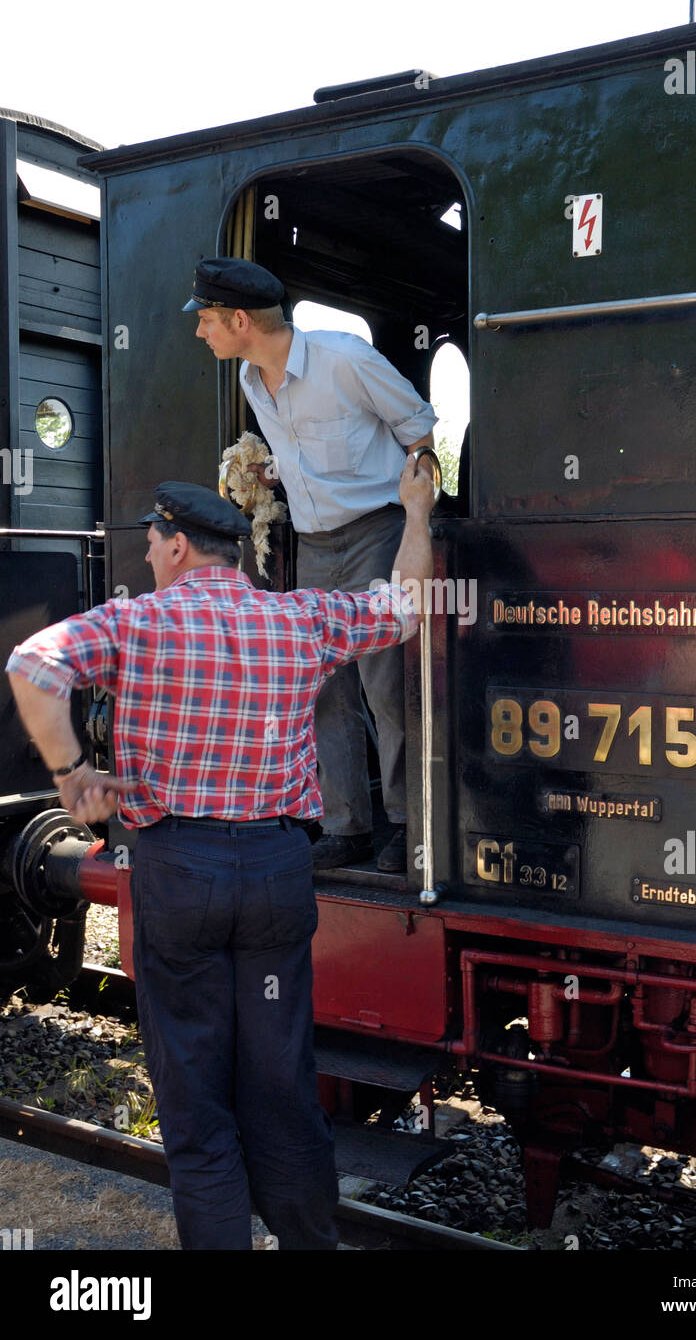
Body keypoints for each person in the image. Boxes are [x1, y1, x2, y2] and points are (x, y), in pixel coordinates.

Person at [5, 466, 435, 1250]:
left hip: (179, 872)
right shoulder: (300, 618)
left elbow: (32, 665)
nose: (147, 556)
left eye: (151, 543)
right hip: (275, 873)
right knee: (283, 1091)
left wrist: (71, 775)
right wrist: (414, 512)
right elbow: (406, 606)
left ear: (176, 547)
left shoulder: (136, 624)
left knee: (198, 1107)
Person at [184, 256, 437, 874]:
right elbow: (303, 454)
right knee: (322, 688)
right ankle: (346, 828)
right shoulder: (251, 379)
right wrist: (267, 474)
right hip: (314, 545)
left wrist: (418, 516)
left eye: (207, 318)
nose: (200, 330)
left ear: (239, 320)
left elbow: (419, 429)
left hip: (377, 533)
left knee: (386, 686)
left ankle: (410, 827)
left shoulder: (345, 359)